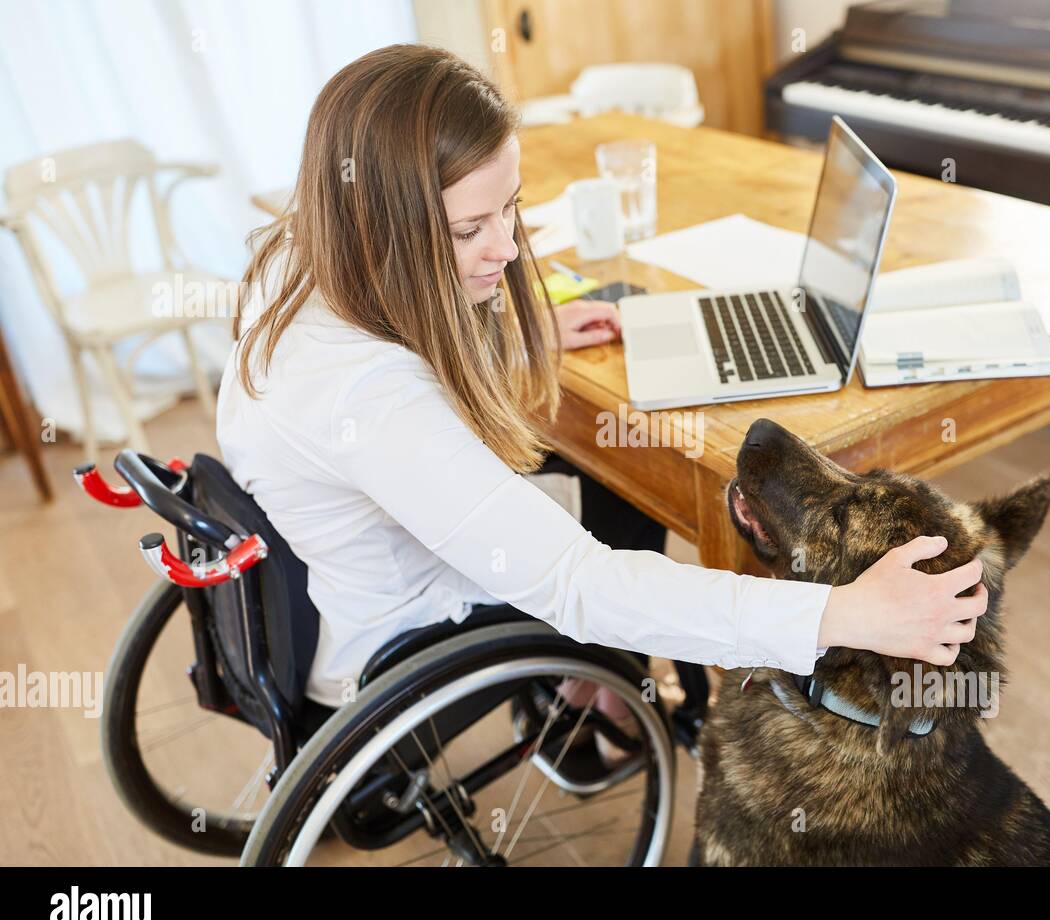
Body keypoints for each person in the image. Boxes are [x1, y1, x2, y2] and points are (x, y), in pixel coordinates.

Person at [215, 45, 988, 741]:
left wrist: (523, 337)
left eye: (511, 206)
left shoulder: (299, 256)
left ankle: (601, 685)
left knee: (613, 465)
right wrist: (842, 612)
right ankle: (606, 692)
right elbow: (576, 584)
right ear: (375, 220)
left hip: (364, 560)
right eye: (468, 230)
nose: (507, 248)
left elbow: (397, 341)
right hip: (407, 636)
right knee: (624, 488)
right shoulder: (369, 402)